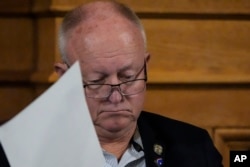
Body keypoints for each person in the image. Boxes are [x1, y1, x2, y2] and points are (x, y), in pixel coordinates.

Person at [0, 0, 222, 167]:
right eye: (97, 81)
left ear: (145, 66)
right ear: (63, 78)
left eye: (127, 77)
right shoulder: (13, 152)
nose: (116, 97)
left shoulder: (194, 147)